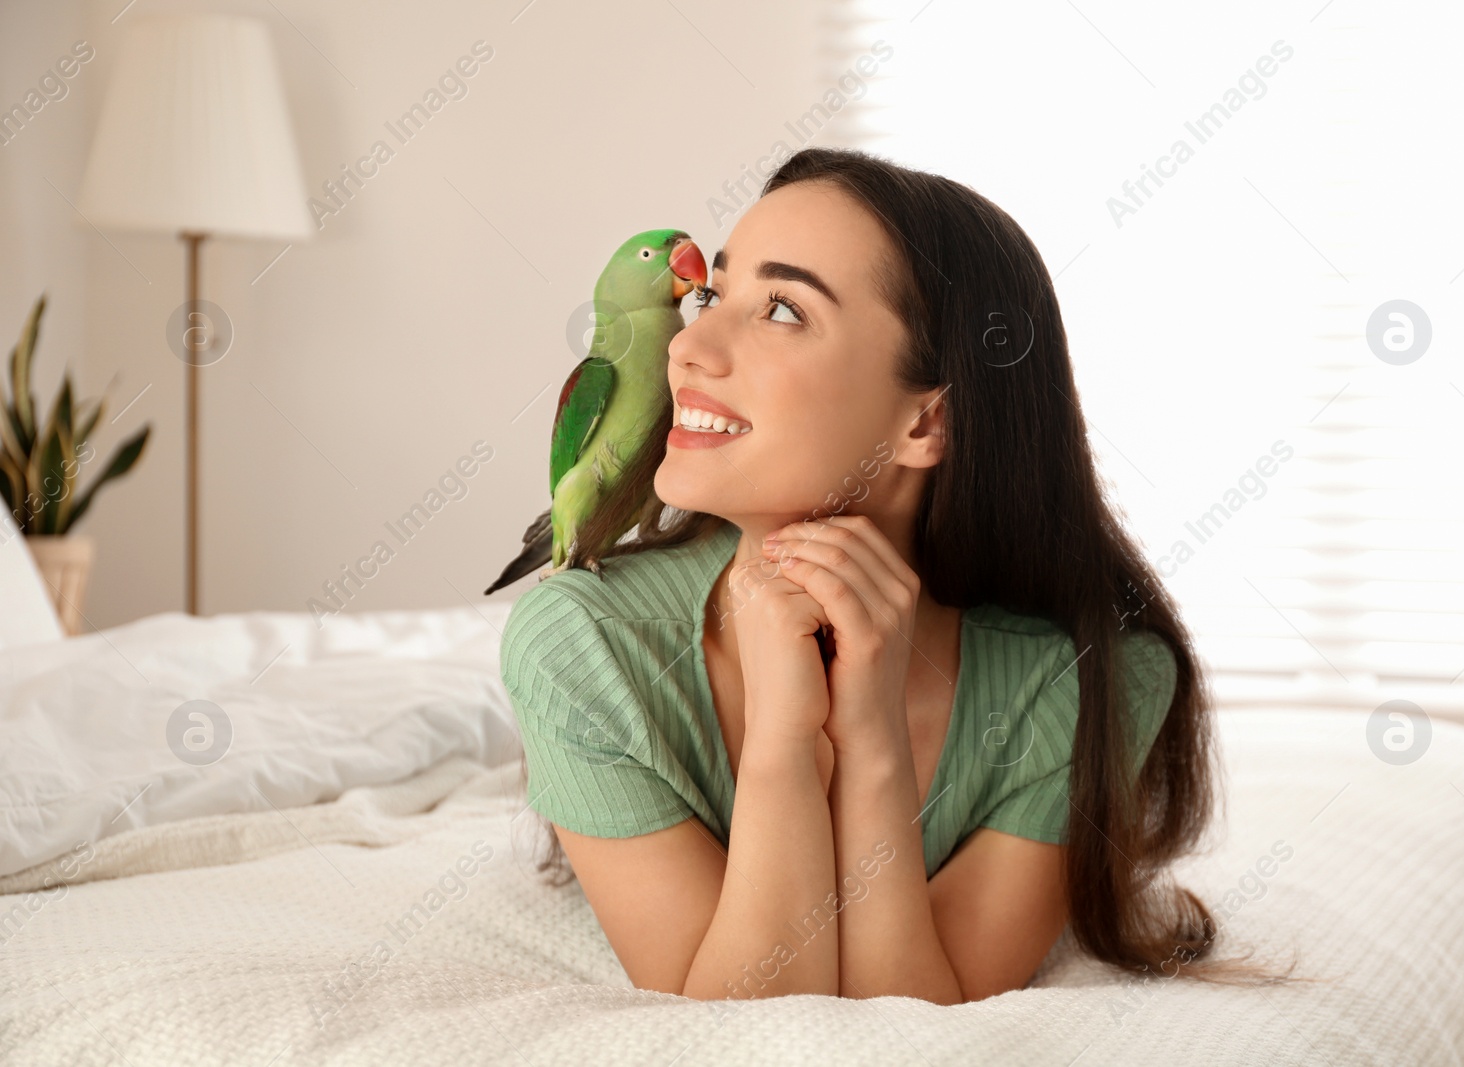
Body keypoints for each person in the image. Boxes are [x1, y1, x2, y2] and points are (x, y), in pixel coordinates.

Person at [499, 146, 1299, 1003]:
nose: (689, 347)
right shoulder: (579, 646)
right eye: (712, 296)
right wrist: (783, 737)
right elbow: (740, 1032)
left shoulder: (1090, 684)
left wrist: (870, 737)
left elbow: (910, 1026)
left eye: (780, 309)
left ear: (928, 420)